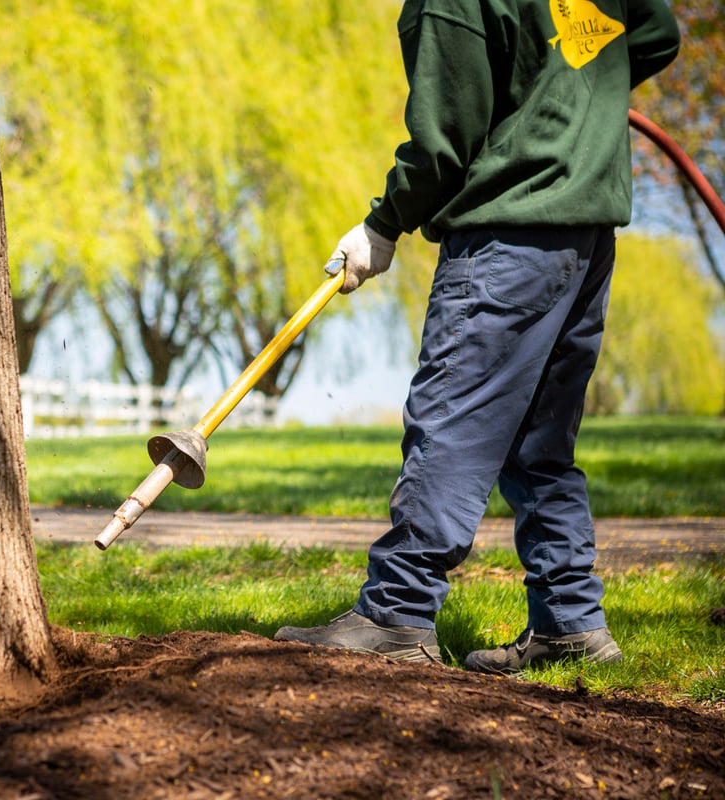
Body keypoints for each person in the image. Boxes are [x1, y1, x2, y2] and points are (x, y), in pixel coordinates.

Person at [274, 0, 680, 673]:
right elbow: (656, 31)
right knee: (538, 442)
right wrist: (575, 98)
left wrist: (383, 225)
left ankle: (398, 614)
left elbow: (445, 143)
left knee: (452, 420)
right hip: (585, 238)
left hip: (508, 235)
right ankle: (570, 620)